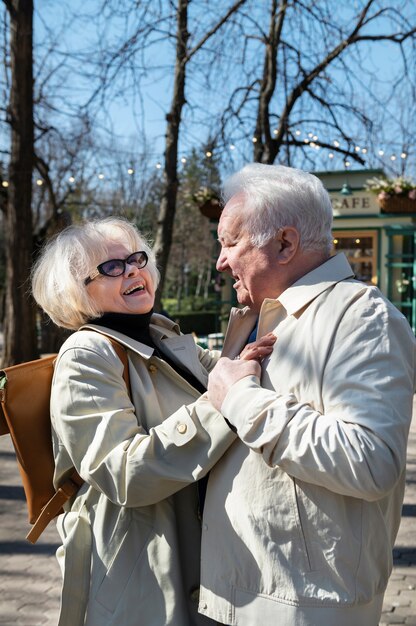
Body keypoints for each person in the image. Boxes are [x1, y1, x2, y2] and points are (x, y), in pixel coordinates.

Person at [199, 163, 416, 626]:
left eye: (230, 242)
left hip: (304, 607)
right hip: (233, 594)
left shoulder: (362, 318)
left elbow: (372, 460)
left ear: (284, 243)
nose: (220, 261)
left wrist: (241, 399)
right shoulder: (257, 316)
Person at [31, 216, 275, 626]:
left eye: (136, 258)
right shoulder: (86, 355)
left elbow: (228, 372)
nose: (132, 270)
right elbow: (124, 472)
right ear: (76, 290)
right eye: (111, 267)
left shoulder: (160, 335)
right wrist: (219, 404)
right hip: (141, 568)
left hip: (199, 553)